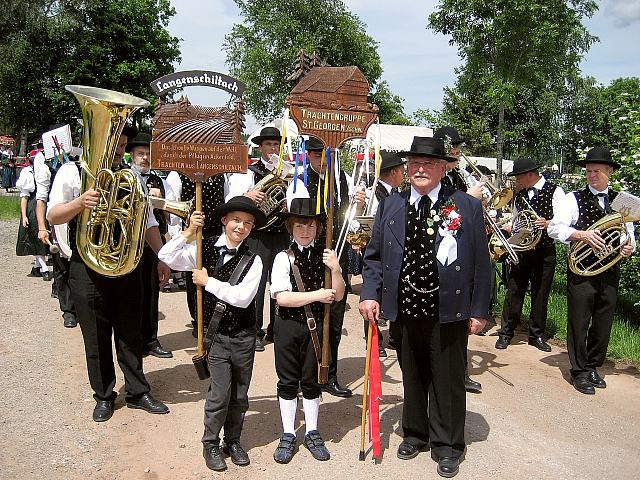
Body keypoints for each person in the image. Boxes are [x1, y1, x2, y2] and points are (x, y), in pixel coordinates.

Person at [359, 136, 491, 478]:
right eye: (414, 163)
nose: (420, 169)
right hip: (404, 306)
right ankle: (415, 433)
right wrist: (370, 294)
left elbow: (481, 262)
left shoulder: (465, 206)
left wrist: (478, 310)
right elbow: (373, 256)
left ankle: (448, 444)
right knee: (412, 373)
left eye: (428, 164)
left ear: (443, 168)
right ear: (406, 168)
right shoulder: (392, 204)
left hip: (447, 307)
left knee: (447, 379)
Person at [47, 128, 171, 422]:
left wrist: (161, 257)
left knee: (130, 331)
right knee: (96, 336)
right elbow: (53, 215)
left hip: (126, 265)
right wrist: (80, 203)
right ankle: (104, 395)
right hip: (86, 266)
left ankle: (138, 392)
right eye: (116, 145)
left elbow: (148, 220)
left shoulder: (130, 176)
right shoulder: (71, 171)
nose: (120, 152)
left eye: (124, 146)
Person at [159, 196, 265, 472]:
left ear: (252, 228)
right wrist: (188, 232)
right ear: (224, 221)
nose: (240, 227)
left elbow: (242, 298)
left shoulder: (254, 260)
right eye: (236, 221)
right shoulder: (203, 248)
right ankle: (210, 442)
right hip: (215, 336)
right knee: (219, 393)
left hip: (243, 336)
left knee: (240, 394)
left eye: (247, 223)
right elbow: (166, 256)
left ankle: (234, 440)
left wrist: (208, 282)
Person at [548, 147, 635, 395]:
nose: (591, 175)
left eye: (597, 171)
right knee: (579, 320)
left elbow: (630, 237)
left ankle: (594, 366)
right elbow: (554, 229)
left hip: (610, 269)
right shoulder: (572, 198)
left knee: (603, 321)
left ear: (610, 172)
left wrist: (629, 248)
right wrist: (581, 235)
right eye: (588, 171)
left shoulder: (623, 201)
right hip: (582, 270)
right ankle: (579, 371)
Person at [270, 198, 344, 464]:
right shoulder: (282, 258)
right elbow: (283, 298)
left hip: (316, 328)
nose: (305, 230)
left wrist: (335, 269)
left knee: (312, 381)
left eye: (310, 225)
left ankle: (312, 431)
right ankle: (288, 433)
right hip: (288, 326)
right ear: (291, 227)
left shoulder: (327, 255)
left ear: (317, 228)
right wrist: (318, 295)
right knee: (288, 381)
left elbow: (338, 294)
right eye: (300, 225)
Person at [288, 136, 353, 398]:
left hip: (337, 255)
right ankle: (306, 375)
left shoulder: (342, 179)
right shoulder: (300, 180)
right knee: (308, 318)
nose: (322, 160)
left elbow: (347, 211)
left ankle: (330, 374)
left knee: (334, 319)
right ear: (309, 156)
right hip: (309, 257)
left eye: (326, 155)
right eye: (316, 155)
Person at [226, 126, 291, 352]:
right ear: (260, 147)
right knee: (257, 283)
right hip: (258, 235)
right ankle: (253, 331)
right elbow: (230, 199)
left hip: (281, 233)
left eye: (276, 145)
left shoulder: (289, 173)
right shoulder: (249, 172)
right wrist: (248, 196)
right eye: (269, 145)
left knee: (282, 281)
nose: (273, 149)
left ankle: (277, 329)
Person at [495, 158, 565, 352]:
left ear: (530, 175)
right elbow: (518, 220)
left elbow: (562, 220)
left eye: (518, 177)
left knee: (540, 294)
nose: (516, 181)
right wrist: (510, 230)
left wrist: (548, 223)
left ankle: (536, 335)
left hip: (544, 251)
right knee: (514, 290)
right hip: (523, 250)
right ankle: (506, 332)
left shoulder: (555, 191)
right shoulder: (520, 195)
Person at [434, 126, 484, 394]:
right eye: (452, 151)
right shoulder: (439, 177)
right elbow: (438, 209)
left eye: (457, 150)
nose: (457, 155)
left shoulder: (457, 176)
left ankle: (459, 372)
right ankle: (454, 374)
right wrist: (469, 199)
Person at [354, 150, 406, 355]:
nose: (403, 174)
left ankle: (394, 336)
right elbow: (358, 221)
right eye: (402, 170)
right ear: (394, 172)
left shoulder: (400, 195)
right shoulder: (370, 193)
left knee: (395, 291)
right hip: (376, 248)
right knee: (373, 292)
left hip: (395, 251)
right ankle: (373, 339)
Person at [126, 132, 172, 358]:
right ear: (132, 156)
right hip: (131, 244)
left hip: (153, 244)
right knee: (132, 294)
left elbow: (170, 214)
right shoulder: (125, 177)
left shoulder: (159, 180)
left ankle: (151, 340)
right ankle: (133, 341)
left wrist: (161, 198)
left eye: (148, 154)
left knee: (152, 292)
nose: (144, 158)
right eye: (140, 154)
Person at [15, 154, 49, 279]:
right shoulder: (27, 172)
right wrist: (24, 216)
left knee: (41, 236)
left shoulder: (46, 170)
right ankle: (44, 269)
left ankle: (37, 267)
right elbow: (24, 196)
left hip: (45, 204)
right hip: (33, 207)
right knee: (36, 237)